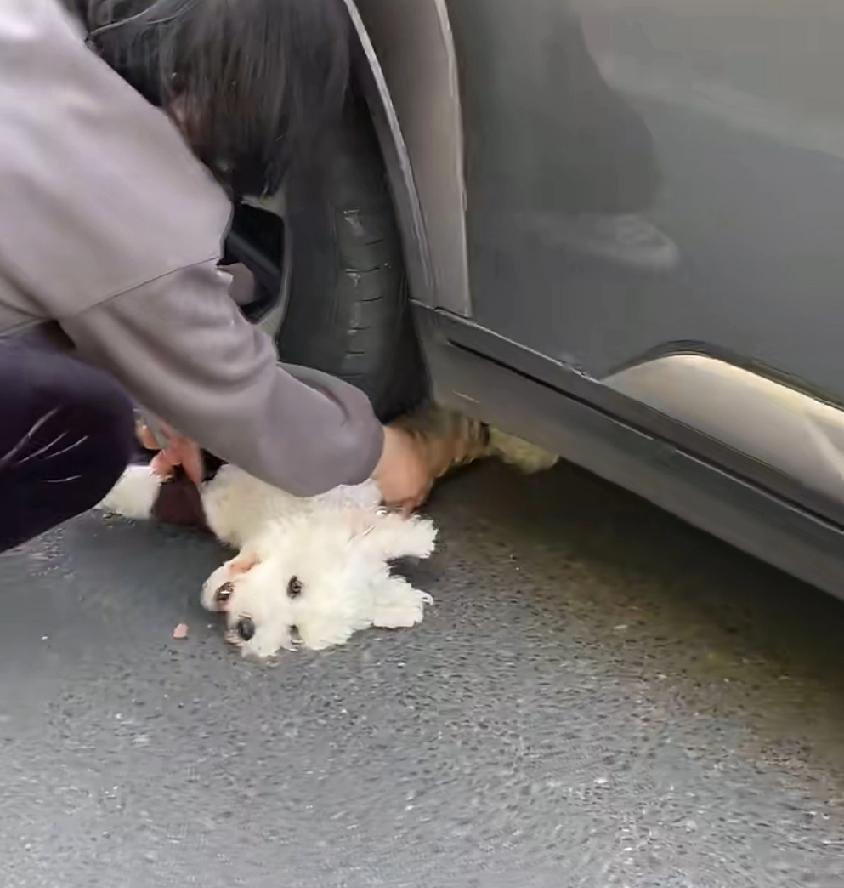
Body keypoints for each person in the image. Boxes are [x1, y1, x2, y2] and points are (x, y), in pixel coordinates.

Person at [0, 0, 432, 554]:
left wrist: (159, 380)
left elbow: (51, 266)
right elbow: (249, 404)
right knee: (81, 426)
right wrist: (375, 452)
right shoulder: (137, 199)